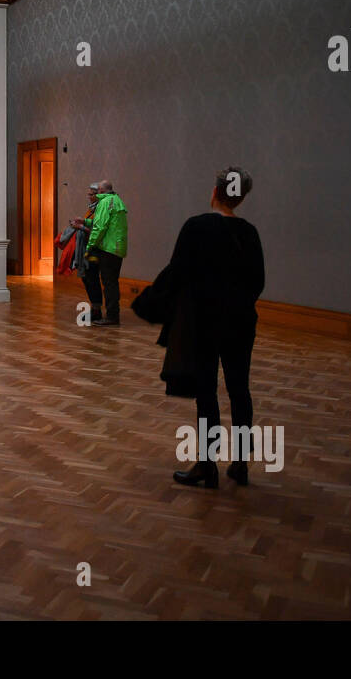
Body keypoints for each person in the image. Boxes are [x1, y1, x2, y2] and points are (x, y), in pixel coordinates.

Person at [147, 167, 264, 488]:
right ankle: (240, 464)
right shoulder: (249, 232)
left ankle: (207, 465)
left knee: (207, 393)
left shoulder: (196, 227)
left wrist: (152, 302)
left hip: (204, 323)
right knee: (240, 390)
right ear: (239, 198)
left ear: (215, 191)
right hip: (240, 323)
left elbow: (177, 272)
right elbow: (258, 282)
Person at [71, 180, 126, 325]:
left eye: (93, 193)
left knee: (109, 283)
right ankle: (107, 314)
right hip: (116, 247)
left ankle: (112, 317)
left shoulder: (104, 203)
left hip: (108, 248)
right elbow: (100, 223)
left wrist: (90, 246)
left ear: (100, 191)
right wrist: (85, 221)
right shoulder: (116, 200)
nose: (90, 196)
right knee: (109, 281)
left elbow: (100, 228)